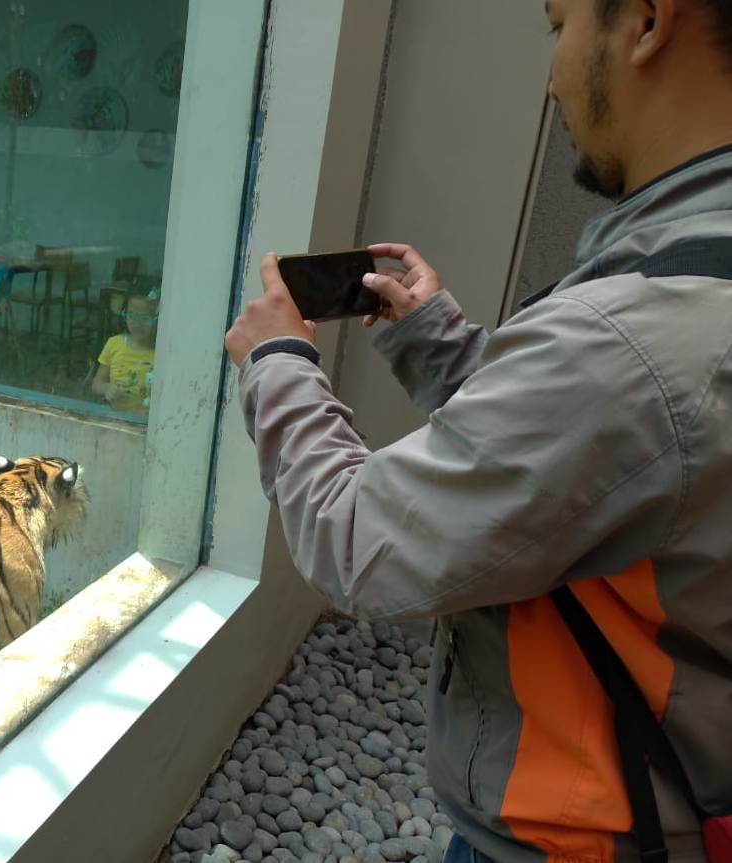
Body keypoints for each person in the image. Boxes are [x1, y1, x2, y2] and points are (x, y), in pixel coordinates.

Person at [225, 1, 732, 862]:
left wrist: (275, 363)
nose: (549, 81)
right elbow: (602, 472)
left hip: (591, 836)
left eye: (558, 26)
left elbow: (365, 544)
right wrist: (440, 345)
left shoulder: (633, 337)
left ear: (644, 22)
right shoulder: (691, 272)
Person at [92, 290, 157, 412]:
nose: (138, 324)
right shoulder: (114, 344)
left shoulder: (162, 352)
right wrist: (107, 389)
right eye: (132, 316)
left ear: (156, 318)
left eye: (144, 318)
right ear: (124, 314)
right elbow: (96, 384)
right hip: (116, 417)